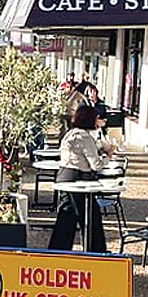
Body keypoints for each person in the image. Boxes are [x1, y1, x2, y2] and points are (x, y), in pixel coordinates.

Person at [48, 106, 111, 252]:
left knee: (66, 216)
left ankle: (58, 250)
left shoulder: (70, 134)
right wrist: (108, 156)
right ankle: (95, 251)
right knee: (90, 216)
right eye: (96, 118)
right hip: (78, 179)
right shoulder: (84, 137)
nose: (98, 121)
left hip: (64, 176)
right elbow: (96, 165)